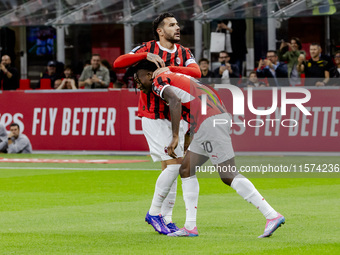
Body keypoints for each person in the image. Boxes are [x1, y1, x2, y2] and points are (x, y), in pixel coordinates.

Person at [133, 60, 285, 238]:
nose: (137, 84)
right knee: (186, 169)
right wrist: (190, 136)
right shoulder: (178, 77)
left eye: (138, 79)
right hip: (211, 119)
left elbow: (174, 101)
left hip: (209, 121)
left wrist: (175, 137)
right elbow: (193, 101)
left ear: (150, 75)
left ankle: (271, 215)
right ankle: (190, 227)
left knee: (228, 174)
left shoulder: (159, 81)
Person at [114, 12, 201, 235]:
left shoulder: (184, 52)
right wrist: (143, 56)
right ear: (160, 31)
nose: (177, 28)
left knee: (170, 167)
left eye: (177, 24)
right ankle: (154, 213)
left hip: (177, 115)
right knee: (175, 165)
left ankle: (166, 217)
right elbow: (118, 62)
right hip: (154, 115)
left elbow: (196, 72)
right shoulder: (148, 48)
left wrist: (169, 70)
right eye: (171, 25)